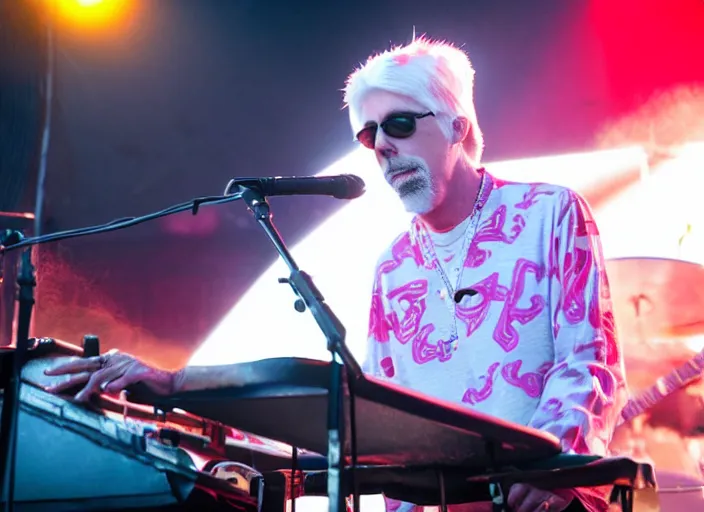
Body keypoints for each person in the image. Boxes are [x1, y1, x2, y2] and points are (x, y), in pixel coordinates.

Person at [44, 37, 627, 512]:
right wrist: (177, 393)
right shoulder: (394, 267)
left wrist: (555, 469)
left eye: (399, 125)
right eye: (369, 135)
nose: (382, 149)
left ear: (456, 125)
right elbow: (371, 417)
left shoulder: (550, 213)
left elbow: (589, 360)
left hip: (546, 499)